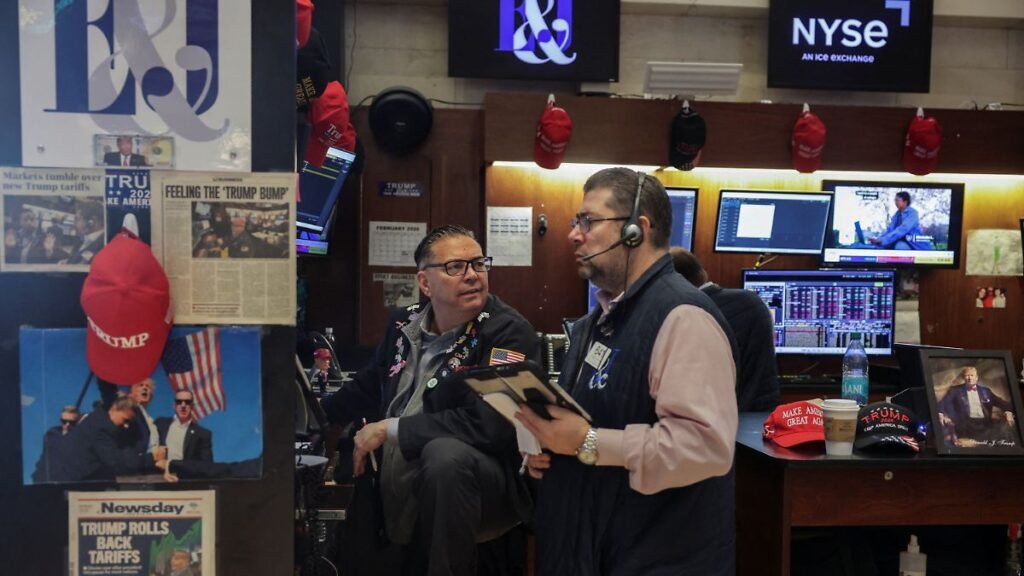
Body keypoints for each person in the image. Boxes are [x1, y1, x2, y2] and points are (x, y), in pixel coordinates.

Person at [516, 168, 738, 576]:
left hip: (659, 556)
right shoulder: (594, 323)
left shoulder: (683, 317)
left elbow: (704, 448)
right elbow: (585, 423)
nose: (574, 235)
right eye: (574, 222)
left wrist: (589, 442)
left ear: (638, 229)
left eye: (588, 221)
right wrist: (544, 450)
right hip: (595, 548)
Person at [320, 224, 540, 576]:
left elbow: (490, 424)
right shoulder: (403, 323)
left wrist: (390, 429)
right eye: (455, 267)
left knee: (444, 456)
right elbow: (367, 386)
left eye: (479, 264)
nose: (472, 275)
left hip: (476, 492)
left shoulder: (508, 333)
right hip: (398, 490)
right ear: (425, 283)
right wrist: (310, 415)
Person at [670, 246, 779, 411]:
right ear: (702, 272)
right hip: (759, 419)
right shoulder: (750, 301)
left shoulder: (687, 312)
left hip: (718, 423)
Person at [61, 395, 167, 481]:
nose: (126, 425)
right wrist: (152, 459)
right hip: (82, 483)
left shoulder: (100, 418)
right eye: (125, 420)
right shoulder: (102, 428)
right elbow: (117, 464)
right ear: (114, 408)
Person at [937, 366, 1017, 447]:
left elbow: (1003, 403)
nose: (969, 378)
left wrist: (1008, 412)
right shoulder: (955, 390)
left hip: (985, 426)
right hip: (964, 427)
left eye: (972, 375)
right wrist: (940, 414)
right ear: (963, 378)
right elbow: (942, 403)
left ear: (976, 377)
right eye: (967, 375)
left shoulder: (986, 391)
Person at [156, 389, 213, 470]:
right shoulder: (160, 424)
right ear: (174, 405)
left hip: (183, 479)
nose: (183, 405)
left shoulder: (202, 434)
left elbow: (206, 466)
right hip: (157, 476)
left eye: (187, 402)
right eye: (179, 402)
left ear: (192, 406)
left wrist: (172, 465)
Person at [31, 405, 79, 483]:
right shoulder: (51, 434)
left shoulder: (79, 437)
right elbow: (45, 456)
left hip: (65, 483)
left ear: (77, 422)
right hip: (43, 481)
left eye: (72, 422)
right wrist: (37, 475)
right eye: (64, 421)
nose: (67, 424)